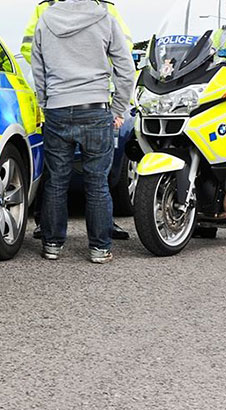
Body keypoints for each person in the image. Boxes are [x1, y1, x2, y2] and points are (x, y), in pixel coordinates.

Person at [32, 0, 135, 263]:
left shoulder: (46, 18)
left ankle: (52, 245)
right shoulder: (104, 18)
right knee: (97, 182)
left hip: (57, 108)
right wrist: (119, 108)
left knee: (56, 180)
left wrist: (46, 103)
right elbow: (125, 69)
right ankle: (100, 249)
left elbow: (38, 68)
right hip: (95, 107)